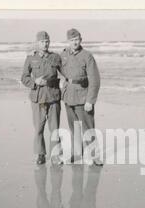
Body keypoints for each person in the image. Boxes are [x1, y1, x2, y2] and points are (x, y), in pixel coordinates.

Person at [60, 28, 102, 165]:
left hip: (83, 98)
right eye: (72, 40)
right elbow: (55, 67)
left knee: (88, 129)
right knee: (74, 129)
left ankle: (95, 157)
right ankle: (77, 154)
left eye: (77, 39)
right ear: (68, 41)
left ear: (81, 40)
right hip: (68, 97)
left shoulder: (87, 56)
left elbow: (95, 79)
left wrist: (90, 100)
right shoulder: (64, 55)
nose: (74, 42)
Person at [21, 31, 63, 165]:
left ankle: (56, 156)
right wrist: (34, 82)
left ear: (49, 42)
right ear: (37, 43)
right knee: (39, 128)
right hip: (38, 98)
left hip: (53, 97)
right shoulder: (30, 59)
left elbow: (66, 73)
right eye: (42, 42)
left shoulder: (55, 57)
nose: (45, 44)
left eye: (46, 41)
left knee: (54, 128)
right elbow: (24, 77)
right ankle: (40, 154)